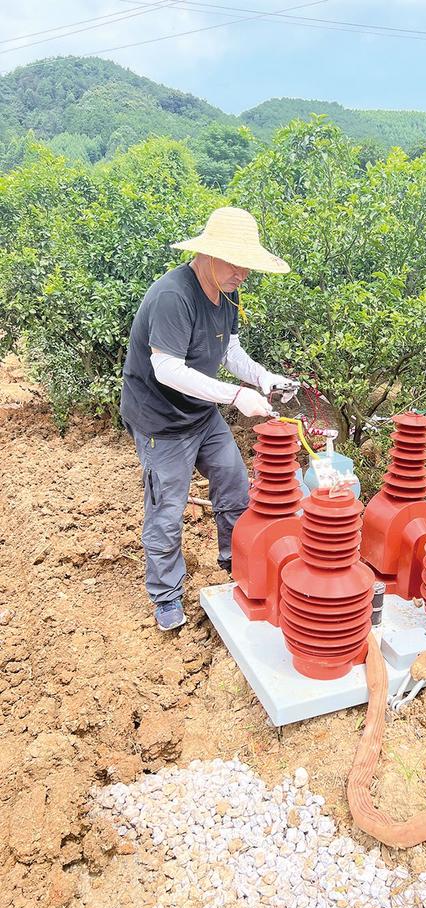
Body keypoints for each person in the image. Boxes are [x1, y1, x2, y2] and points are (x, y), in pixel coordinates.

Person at [120, 206, 295, 631]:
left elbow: (229, 350)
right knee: (168, 509)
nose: (243, 274)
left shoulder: (227, 291)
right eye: (237, 264)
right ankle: (165, 595)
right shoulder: (173, 296)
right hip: (160, 420)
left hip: (200, 412)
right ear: (209, 254)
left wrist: (262, 378)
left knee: (234, 483)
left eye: (247, 266)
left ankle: (235, 559)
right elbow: (168, 369)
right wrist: (236, 395)